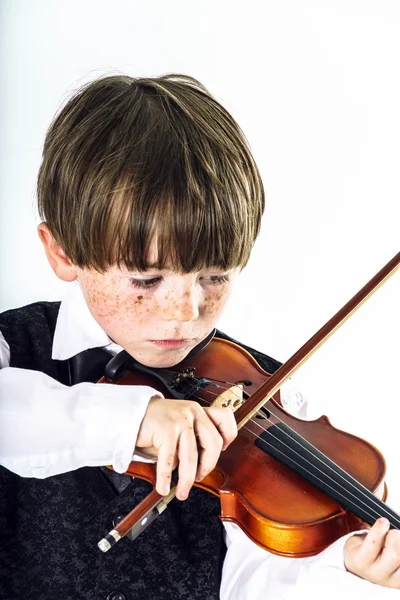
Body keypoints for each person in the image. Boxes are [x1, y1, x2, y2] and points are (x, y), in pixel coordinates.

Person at [0, 74, 398, 600]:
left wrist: (337, 570)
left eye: (215, 276)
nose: (186, 312)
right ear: (62, 252)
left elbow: (248, 580)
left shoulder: (266, 393)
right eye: (146, 280)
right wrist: (131, 419)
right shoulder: (15, 344)